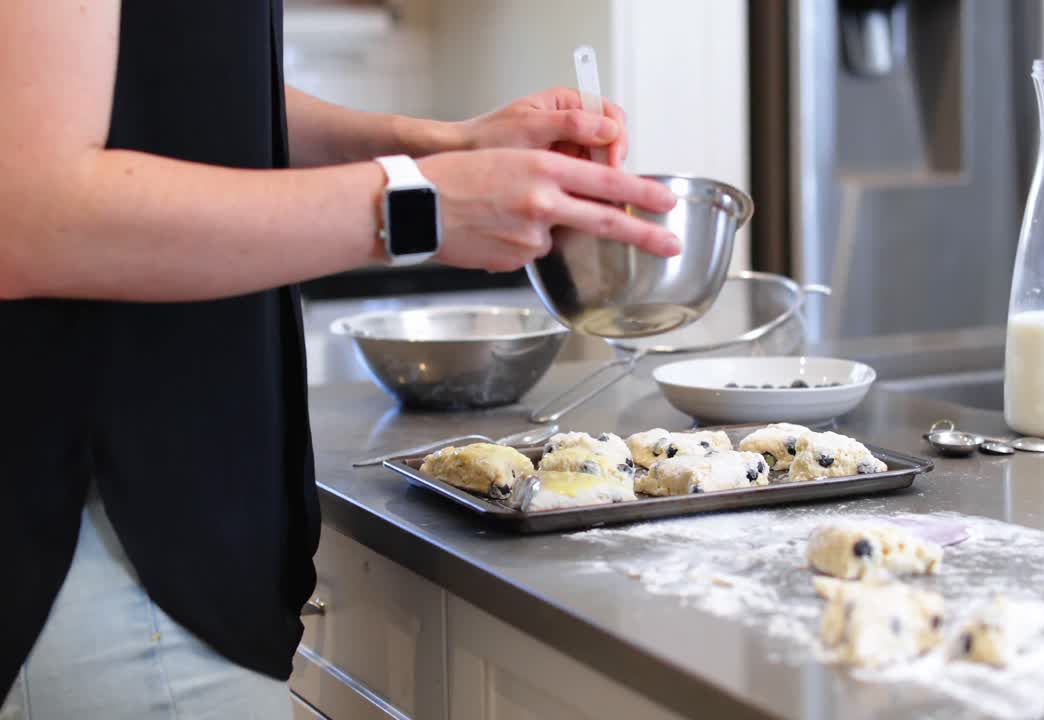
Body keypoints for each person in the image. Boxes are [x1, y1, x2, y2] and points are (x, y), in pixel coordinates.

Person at [0, 1, 679, 717]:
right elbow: (26, 213)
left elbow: (185, 91)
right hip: (102, 550)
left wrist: (437, 150)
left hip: (181, 544)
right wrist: (415, 207)